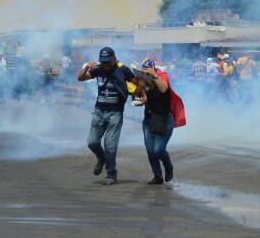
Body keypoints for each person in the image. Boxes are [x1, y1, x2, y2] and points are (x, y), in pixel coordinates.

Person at [77, 47, 136, 186]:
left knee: (110, 146)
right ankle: (101, 158)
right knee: (92, 142)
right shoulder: (98, 69)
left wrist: (140, 93)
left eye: (108, 62)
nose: (105, 65)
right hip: (99, 111)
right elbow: (80, 78)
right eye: (103, 62)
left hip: (115, 113)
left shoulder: (123, 70)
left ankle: (111, 174)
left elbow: (136, 82)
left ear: (114, 59)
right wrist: (86, 68)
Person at [132, 64, 186, 185]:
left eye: (147, 70)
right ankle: (157, 176)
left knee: (158, 149)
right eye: (144, 71)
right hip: (149, 119)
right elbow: (136, 99)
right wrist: (140, 98)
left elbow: (163, 88)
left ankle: (168, 166)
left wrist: (154, 75)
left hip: (164, 118)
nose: (145, 73)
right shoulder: (143, 81)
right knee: (150, 150)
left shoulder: (161, 76)